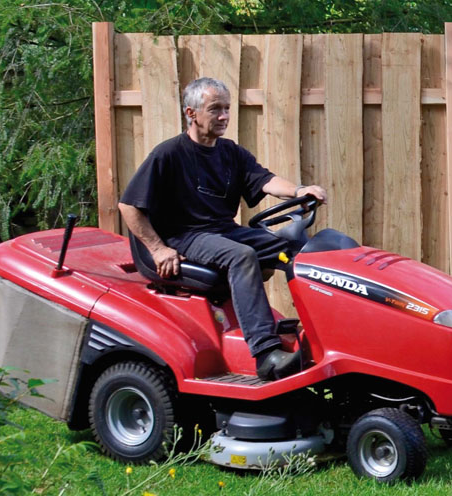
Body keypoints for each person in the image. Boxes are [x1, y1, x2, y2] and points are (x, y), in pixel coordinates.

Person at [118, 76, 327, 381]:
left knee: (298, 248)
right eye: (216, 109)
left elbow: (265, 180)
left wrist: (299, 190)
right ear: (191, 113)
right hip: (187, 236)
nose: (224, 116)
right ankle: (266, 354)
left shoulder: (230, 153)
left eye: (227, 109)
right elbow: (128, 205)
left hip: (224, 230)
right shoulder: (169, 154)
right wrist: (158, 249)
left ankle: (324, 335)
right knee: (241, 256)